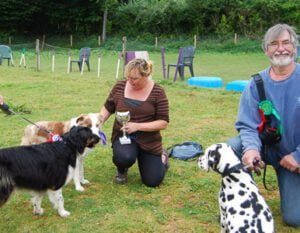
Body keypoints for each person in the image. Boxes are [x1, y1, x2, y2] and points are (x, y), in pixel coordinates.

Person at [227, 23, 300, 227]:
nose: (280, 48)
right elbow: (247, 125)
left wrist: (297, 156)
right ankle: (239, 202)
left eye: (286, 42)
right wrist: (251, 150)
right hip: (265, 150)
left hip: (293, 156)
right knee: (232, 147)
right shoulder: (256, 83)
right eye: (274, 44)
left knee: (295, 218)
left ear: (295, 47)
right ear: (266, 49)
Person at [99, 58, 169, 187]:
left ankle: (162, 156)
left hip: (149, 141)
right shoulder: (120, 86)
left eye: (134, 78)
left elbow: (163, 122)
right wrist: (99, 122)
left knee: (152, 181)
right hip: (123, 137)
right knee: (124, 157)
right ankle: (122, 169)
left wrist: (138, 126)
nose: (130, 81)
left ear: (146, 75)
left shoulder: (158, 92)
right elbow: (108, 107)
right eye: (128, 77)